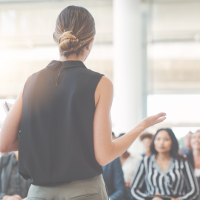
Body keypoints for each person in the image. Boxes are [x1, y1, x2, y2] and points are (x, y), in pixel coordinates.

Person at [0, 5, 166, 200]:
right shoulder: (101, 84)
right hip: (85, 193)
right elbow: (104, 155)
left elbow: (4, 144)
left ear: (57, 37)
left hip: (38, 193)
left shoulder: (31, 81)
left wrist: (45, 142)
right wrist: (141, 126)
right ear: (90, 42)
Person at [130, 128, 199, 200]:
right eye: (158, 139)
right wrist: (149, 199)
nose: (161, 143)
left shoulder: (183, 162)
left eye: (166, 139)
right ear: (154, 141)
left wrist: (179, 199)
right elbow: (133, 190)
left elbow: (194, 191)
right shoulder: (145, 162)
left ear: (172, 142)